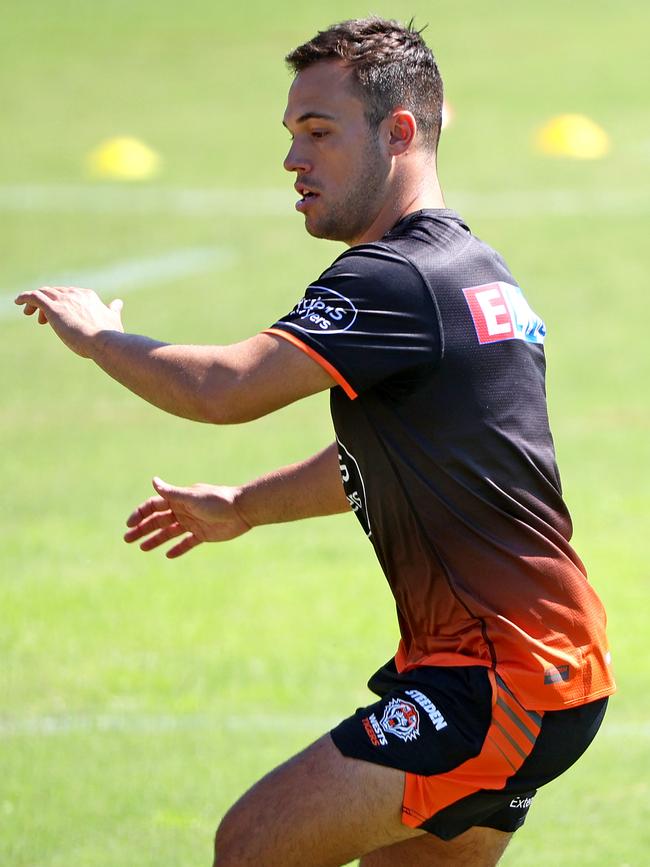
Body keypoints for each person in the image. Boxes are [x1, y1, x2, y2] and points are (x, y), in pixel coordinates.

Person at [15, 17, 615, 867]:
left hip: (498, 678)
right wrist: (246, 506)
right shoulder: (474, 269)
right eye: (292, 134)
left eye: (320, 133)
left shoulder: (395, 278)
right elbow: (411, 461)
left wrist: (98, 336)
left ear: (399, 132)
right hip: (540, 669)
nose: (293, 160)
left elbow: (223, 387)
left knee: (252, 843)